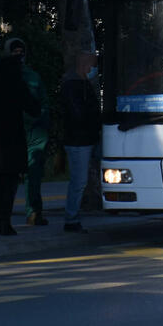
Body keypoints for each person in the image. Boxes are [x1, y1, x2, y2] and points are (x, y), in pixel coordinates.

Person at [0, 41, 40, 236]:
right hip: (12, 137)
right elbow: (32, 107)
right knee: (10, 182)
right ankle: (4, 220)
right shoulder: (16, 80)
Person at [4, 38, 50, 227]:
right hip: (25, 131)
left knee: (17, 175)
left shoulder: (11, 76)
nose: (19, 55)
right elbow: (43, 105)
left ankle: (5, 215)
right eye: (16, 51)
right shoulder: (29, 76)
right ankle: (31, 213)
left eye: (20, 51)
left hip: (25, 132)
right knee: (26, 175)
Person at [59, 50, 101, 233]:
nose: (94, 69)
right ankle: (71, 218)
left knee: (80, 180)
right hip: (79, 139)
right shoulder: (74, 85)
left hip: (83, 137)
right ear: (84, 66)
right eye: (92, 65)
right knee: (79, 180)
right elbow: (79, 114)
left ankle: (72, 216)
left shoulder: (80, 83)